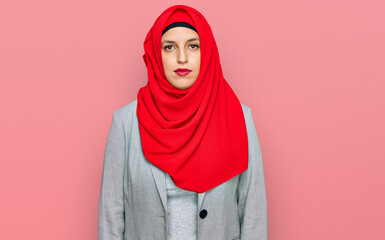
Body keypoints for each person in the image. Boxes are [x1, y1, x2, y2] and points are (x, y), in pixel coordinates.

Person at [98, 4, 267, 240]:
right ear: (157, 56)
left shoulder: (239, 118)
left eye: (193, 46)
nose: (182, 58)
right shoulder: (126, 122)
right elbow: (111, 218)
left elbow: (253, 215)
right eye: (169, 47)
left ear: (207, 51)